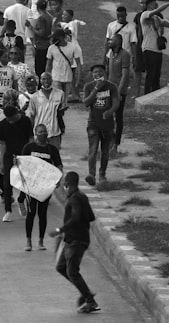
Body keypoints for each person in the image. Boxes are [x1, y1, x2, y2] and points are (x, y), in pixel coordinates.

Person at [49, 171, 100, 313]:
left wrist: (61, 229)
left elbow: (76, 217)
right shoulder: (82, 196)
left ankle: (90, 300)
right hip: (77, 239)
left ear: (67, 185)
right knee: (61, 267)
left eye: (65, 185)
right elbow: (90, 217)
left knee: (72, 272)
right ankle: (85, 292)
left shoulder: (74, 199)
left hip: (76, 241)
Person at [21, 123, 63, 251]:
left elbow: (59, 166)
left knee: (42, 213)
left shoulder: (52, 150)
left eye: (44, 132)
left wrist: (58, 179)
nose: (43, 134)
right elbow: (22, 164)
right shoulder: (29, 147)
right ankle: (28, 241)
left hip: (46, 187)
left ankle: (41, 241)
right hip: (32, 186)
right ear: (35, 133)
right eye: (40, 132)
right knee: (31, 212)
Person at [82, 63, 117, 186]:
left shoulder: (112, 87)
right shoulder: (89, 86)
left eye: (100, 72)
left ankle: (102, 174)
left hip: (107, 125)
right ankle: (91, 175)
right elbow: (86, 102)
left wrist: (110, 111)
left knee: (105, 151)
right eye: (95, 72)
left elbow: (116, 103)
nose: (98, 74)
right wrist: (96, 89)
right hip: (93, 124)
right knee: (93, 149)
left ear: (105, 73)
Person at [136, 0, 169, 94]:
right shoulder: (145, 15)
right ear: (149, 5)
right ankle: (146, 95)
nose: (155, 5)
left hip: (158, 50)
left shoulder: (157, 18)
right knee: (150, 74)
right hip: (148, 49)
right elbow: (158, 10)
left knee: (157, 75)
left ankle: (155, 94)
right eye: (153, 4)